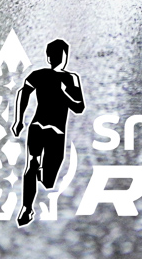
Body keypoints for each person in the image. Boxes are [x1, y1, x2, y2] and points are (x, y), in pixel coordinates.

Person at [10, 39, 85, 228]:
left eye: (60, 55)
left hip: (53, 132)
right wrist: (18, 120)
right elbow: (23, 93)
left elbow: (79, 107)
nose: (58, 59)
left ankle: (38, 175)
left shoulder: (71, 78)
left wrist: (62, 94)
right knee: (32, 163)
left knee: (48, 180)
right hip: (41, 127)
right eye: (56, 55)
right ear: (49, 57)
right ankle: (27, 208)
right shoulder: (40, 75)